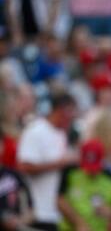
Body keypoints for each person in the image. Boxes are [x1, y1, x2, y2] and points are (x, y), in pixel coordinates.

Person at [17, 92, 79, 231]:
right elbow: (24, 166)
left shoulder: (62, 133)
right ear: (60, 110)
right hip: (36, 211)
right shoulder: (35, 131)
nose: (72, 117)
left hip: (56, 213)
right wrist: (61, 163)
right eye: (70, 112)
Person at [57, 139, 111, 231]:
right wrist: (79, 223)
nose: (91, 171)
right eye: (87, 166)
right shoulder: (70, 173)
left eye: (95, 166)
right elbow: (59, 199)